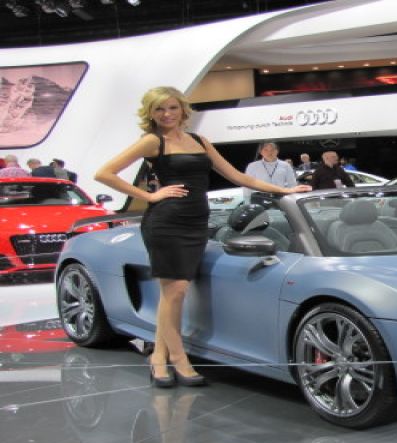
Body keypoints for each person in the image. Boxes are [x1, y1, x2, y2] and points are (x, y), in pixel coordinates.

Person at [94, 86, 310, 388]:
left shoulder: (199, 141)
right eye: (159, 109)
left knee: (173, 294)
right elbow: (104, 173)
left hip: (196, 221)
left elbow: (238, 176)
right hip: (166, 222)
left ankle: (158, 356)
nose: (167, 114)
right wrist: (148, 196)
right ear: (151, 114)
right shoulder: (152, 141)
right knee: (176, 291)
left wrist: (285, 190)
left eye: (172, 107)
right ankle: (180, 359)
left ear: (183, 110)